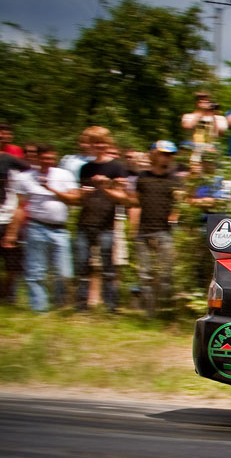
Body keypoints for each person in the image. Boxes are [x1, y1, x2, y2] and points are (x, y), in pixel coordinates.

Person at [4, 144, 75, 311]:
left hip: (60, 229)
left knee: (64, 272)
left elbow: (74, 198)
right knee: (36, 271)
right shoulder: (25, 177)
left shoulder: (64, 175)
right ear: (37, 158)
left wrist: (50, 189)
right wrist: (12, 234)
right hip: (36, 227)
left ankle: (60, 306)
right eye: (44, 158)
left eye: (51, 158)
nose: (48, 161)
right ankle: (39, 309)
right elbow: (20, 207)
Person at [72, 127, 130, 311]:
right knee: (82, 265)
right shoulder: (85, 168)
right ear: (90, 145)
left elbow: (123, 197)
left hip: (107, 224)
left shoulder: (117, 167)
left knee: (108, 268)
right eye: (95, 142)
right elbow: (80, 198)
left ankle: (111, 307)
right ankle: (82, 306)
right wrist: (82, 193)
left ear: (108, 144)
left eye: (102, 142)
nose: (99, 146)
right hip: (85, 221)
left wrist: (105, 186)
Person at [128, 141, 184, 317]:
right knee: (144, 274)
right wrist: (132, 227)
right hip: (143, 230)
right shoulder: (142, 177)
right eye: (163, 153)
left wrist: (175, 215)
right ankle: (148, 312)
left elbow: (179, 204)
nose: (166, 157)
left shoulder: (175, 180)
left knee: (166, 273)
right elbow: (135, 203)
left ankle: (164, 312)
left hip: (165, 232)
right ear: (153, 154)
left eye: (169, 154)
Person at [0, 148, 31, 303]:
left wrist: (12, 231)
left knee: (13, 264)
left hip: (6, 219)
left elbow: (19, 203)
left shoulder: (13, 174)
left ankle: (7, 295)